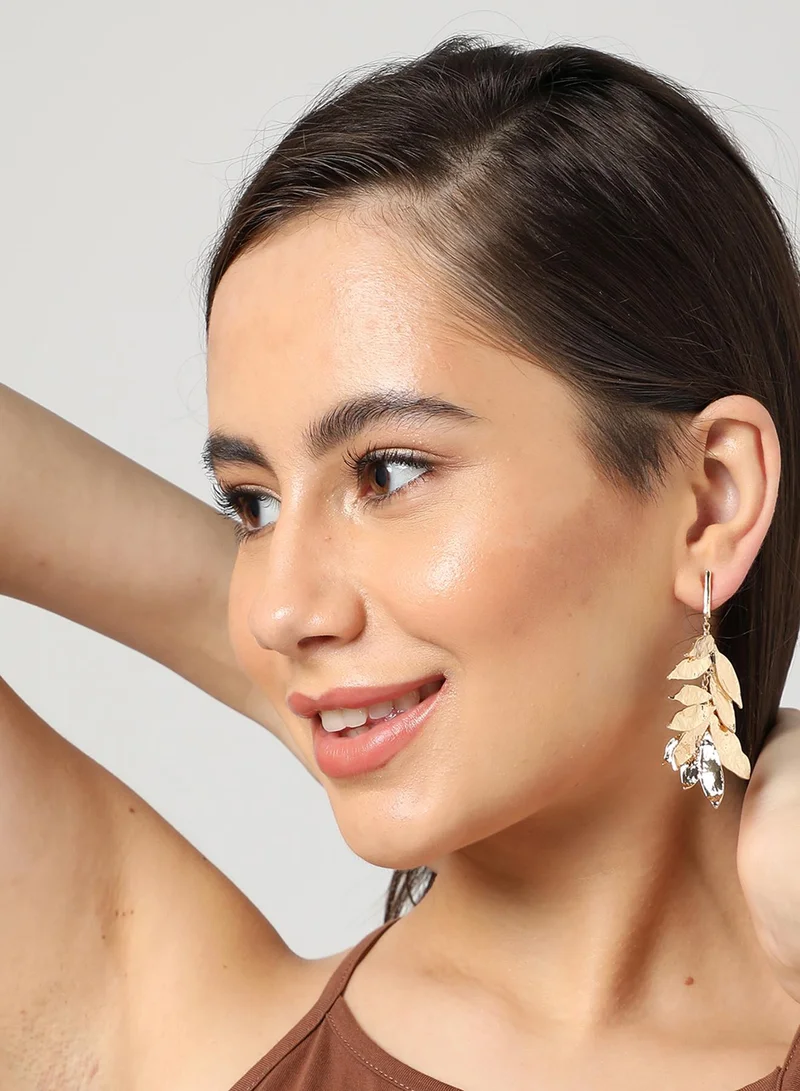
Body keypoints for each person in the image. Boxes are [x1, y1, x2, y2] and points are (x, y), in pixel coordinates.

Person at [2, 32, 800, 1091]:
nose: (278, 606)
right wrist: (280, 671)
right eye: (253, 503)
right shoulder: (168, 1031)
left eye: (387, 471)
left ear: (710, 499)